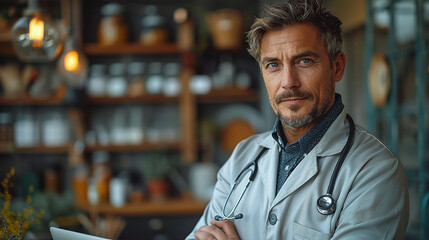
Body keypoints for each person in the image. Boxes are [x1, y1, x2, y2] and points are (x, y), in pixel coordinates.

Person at [186, 0, 409, 239]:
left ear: (337, 66)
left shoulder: (375, 170)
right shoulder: (243, 157)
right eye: (273, 65)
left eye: (304, 61)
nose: (288, 81)